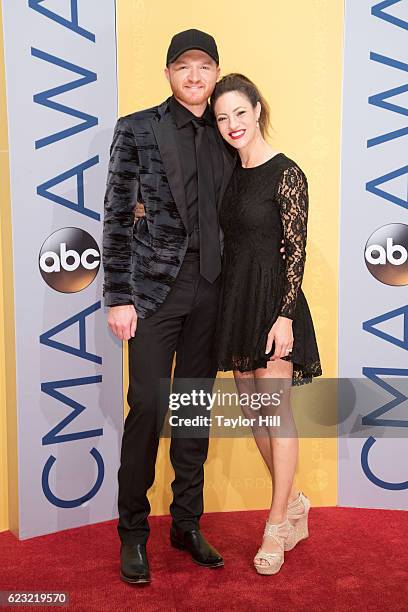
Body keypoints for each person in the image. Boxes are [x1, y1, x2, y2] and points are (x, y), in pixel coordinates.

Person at [102, 30, 236, 584]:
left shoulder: (230, 130)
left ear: (215, 73)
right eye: (184, 65)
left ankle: (186, 523)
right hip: (155, 293)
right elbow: (115, 214)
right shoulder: (137, 128)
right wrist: (119, 297)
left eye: (205, 66)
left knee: (192, 412)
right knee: (149, 411)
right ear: (168, 73)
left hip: (213, 291)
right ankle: (133, 533)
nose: (195, 75)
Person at [211, 73, 322, 575]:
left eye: (239, 112)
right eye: (221, 117)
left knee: (276, 418)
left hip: (276, 305)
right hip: (237, 303)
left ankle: (276, 525)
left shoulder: (287, 174)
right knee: (256, 419)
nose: (232, 124)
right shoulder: (231, 175)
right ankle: (296, 504)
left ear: (257, 109)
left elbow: (295, 255)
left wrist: (285, 316)